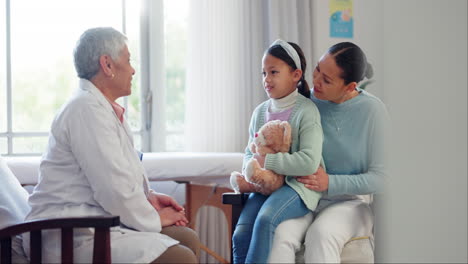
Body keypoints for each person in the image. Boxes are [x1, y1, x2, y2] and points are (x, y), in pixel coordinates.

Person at [23, 27, 199, 263]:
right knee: (181, 257)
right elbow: (113, 190)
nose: (133, 69)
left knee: (188, 238)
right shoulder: (84, 109)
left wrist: (149, 198)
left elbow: (120, 176)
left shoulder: (102, 109)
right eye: (128, 60)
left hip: (94, 225)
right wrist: (155, 218)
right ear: (107, 65)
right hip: (69, 236)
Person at [269, 42, 388, 263]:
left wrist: (330, 182)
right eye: (317, 70)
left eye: (327, 80)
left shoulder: (373, 111)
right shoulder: (305, 102)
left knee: (321, 234)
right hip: (303, 198)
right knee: (279, 234)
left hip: (350, 203)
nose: (316, 82)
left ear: (350, 86)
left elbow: (382, 178)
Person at [231, 39, 324, 264]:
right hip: (264, 187)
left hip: (298, 186)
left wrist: (267, 162)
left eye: (273, 72)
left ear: (296, 75)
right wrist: (251, 169)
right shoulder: (260, 112)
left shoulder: (307, 111)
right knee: (241, 232)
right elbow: (249, 152)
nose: (266, 79)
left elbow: (309, 162)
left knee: (265, 221)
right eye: (263, 73)